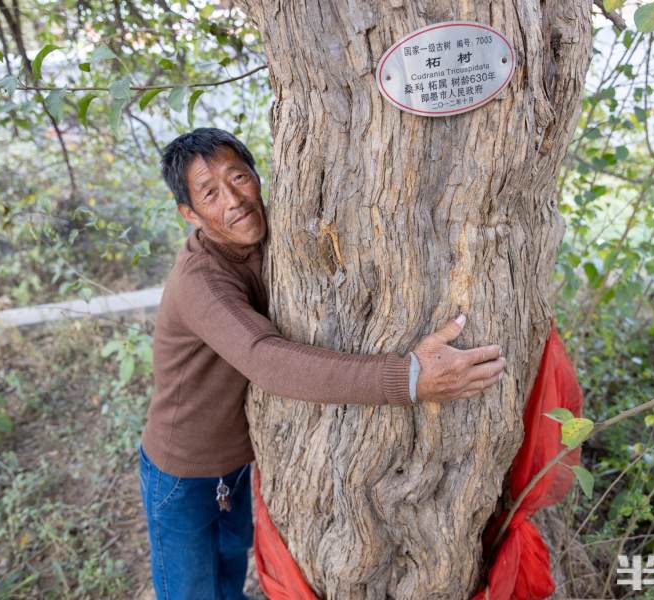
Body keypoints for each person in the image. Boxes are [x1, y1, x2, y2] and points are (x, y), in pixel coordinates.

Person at [139, 128, 506, 599]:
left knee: (227, 577)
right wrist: (409, 377)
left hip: (232, 471)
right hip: (182, 473)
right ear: (189, 214)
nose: (233, 200)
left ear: (257, 176)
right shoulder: (201, 281)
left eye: (239, 178)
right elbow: (265, 361)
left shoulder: (274, 240)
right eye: (210, 194)